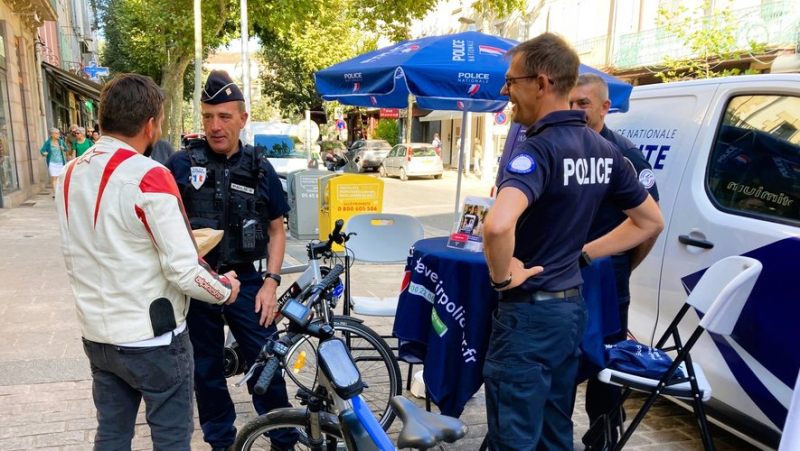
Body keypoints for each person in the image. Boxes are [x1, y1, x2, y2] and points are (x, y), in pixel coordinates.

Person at [481, 33, 663, 450]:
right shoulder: (603, 149)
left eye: (511, 81)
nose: (505, 92)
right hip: (569, 313)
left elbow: (496, 225)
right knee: (554, 430)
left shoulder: (536, 151)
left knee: (514, 436)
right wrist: (583, 255)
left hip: (528, 317)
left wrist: (502, 276)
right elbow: (650, 220)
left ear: (542, 83)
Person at [54, 73, 241, 451]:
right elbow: (183, 269)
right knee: (171, 438)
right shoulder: (150, 175)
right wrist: (225, 291)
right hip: (153, 338)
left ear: (104, 117)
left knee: (111, 434)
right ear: (151, 125)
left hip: (98, 335)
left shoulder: (69, 173)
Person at [165, 70, 296, 451]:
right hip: (198, 284)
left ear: (243, 118)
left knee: (266, 363)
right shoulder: (182, 165)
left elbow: (276, 229)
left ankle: (283, 438)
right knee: (206, 371)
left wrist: (271, 282)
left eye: (224, 116)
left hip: (248, 283)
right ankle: (221, 443)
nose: (215, 126)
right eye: (208, 116)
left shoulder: (260, 167)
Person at [569, 72, 662, 446]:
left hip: (605, 278)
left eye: (583, 104)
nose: (574, 110)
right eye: (570, 103)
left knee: (604, 365)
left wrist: (616, 267)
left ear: (606, 107)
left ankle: (602, 437)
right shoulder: (558, 147)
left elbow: (648, 227)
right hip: (563, 276)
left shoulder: (625, 156)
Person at [40, 127, 68, 195]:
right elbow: (42, 150)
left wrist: (63, 148)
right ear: (51, 134)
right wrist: (44, 153)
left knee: (61, 178)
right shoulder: (48, 143)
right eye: (56, 133)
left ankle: (61, 192)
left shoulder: (61, 141)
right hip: (52, 163)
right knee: (54, 178)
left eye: (58, 133)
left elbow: (66, 149)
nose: (58, 135)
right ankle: (56, 194)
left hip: (61, 162)